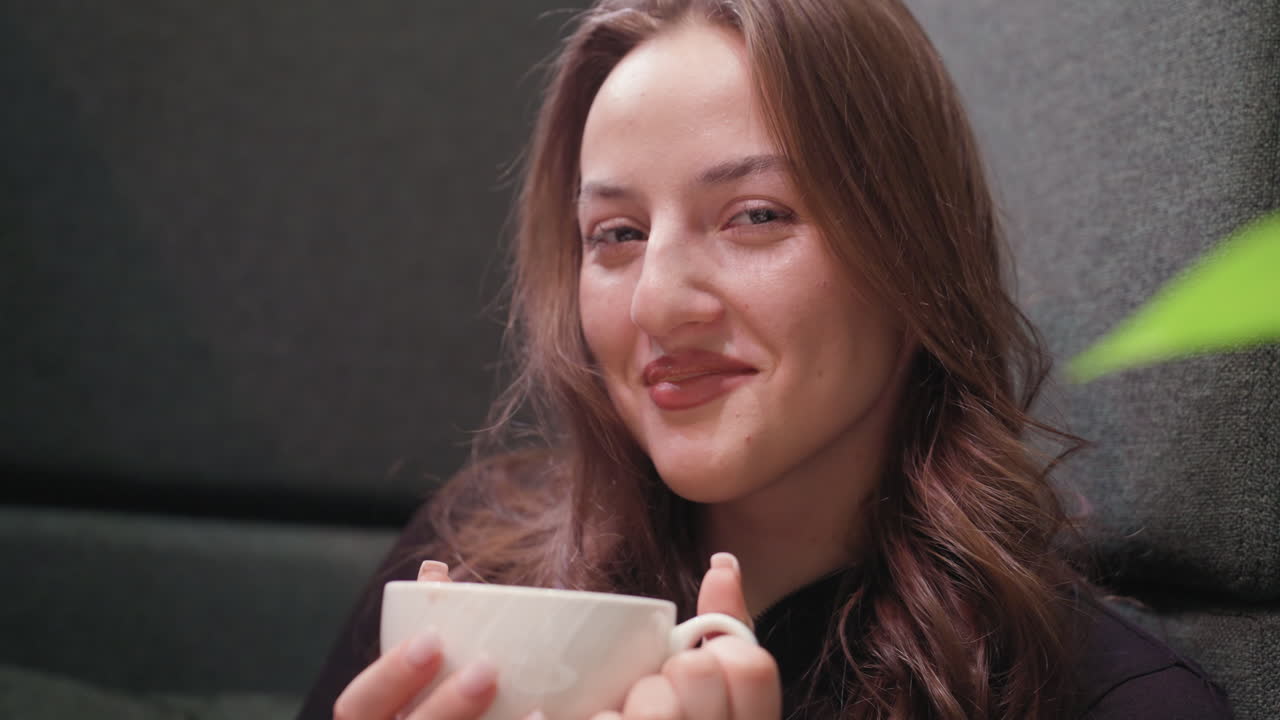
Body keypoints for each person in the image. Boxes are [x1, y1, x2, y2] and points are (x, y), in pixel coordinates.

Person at [300, 1, 1233, 718]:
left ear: (912, 251)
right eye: (616, 234)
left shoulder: (1107, 696)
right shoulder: (467, 568)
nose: (658, 302)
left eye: (756, 216)